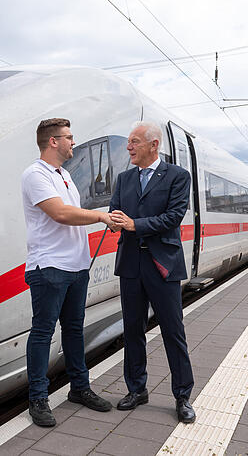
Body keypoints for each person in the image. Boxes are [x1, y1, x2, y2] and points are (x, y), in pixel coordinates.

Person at [21, 118, 115, 427]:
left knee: (74, 329)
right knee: (43, 332)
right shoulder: (35, 174)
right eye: (69, 137)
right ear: (53, 142)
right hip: (49, 267)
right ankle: (38, 398)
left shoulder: (65, 175)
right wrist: (101, 217)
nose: (73, 142)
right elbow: (60, 213)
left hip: (76, 267)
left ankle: (79, 388)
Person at [107, 121, 196, 424]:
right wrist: (114, 221)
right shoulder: (124, 179)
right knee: (132, 329)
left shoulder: (177, 176)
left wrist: (134, 224)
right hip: (131, 264)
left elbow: (173, 217)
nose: (128, 147)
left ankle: (182, 395)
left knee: (173, 330)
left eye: (134, 141)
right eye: (129, 142)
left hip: (163, 264)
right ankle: (136, 389)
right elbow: (115, 211)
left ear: (153, 145)